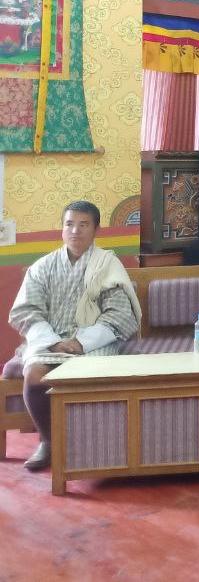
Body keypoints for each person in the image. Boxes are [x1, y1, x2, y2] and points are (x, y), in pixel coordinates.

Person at [6, 201, 141, 471]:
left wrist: (80, 342)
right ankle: (47, 441)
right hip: (50, 340)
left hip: (93, 342)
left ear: (96, 229)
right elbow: (27, 312)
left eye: (83, 224)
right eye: (69, 224)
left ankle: (91, 447)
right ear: (62, 228)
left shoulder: (107, 265)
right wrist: (54, 342)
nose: (75, 231)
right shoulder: (43, 267)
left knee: (89, 375)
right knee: (34, 374)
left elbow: (118, 315)